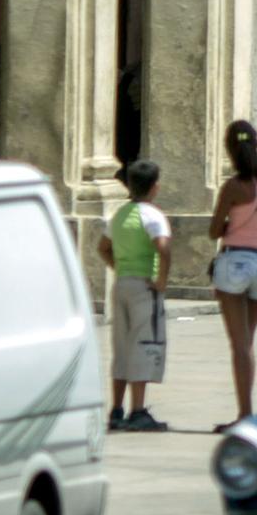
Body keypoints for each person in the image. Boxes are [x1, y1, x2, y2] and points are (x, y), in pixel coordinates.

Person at [208, 120, 257, 430]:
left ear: (230, 150)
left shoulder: (232, 187)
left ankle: (245, 414)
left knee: (239, 345)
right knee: (248, 343)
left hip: (234, 261)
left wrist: (227, 227)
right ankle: (246, 412)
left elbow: (214, 229)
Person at [95, 161, 171, 432]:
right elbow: (163, 248)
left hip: (122, 284)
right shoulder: (153, 215)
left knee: (122, 347)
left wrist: (119, 267)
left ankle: (116, 409)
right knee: (144, 345)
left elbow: (103, 247)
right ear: (155, 187)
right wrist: (161, 280)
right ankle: (137, 410)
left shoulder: (120, 214)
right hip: (144, 288)